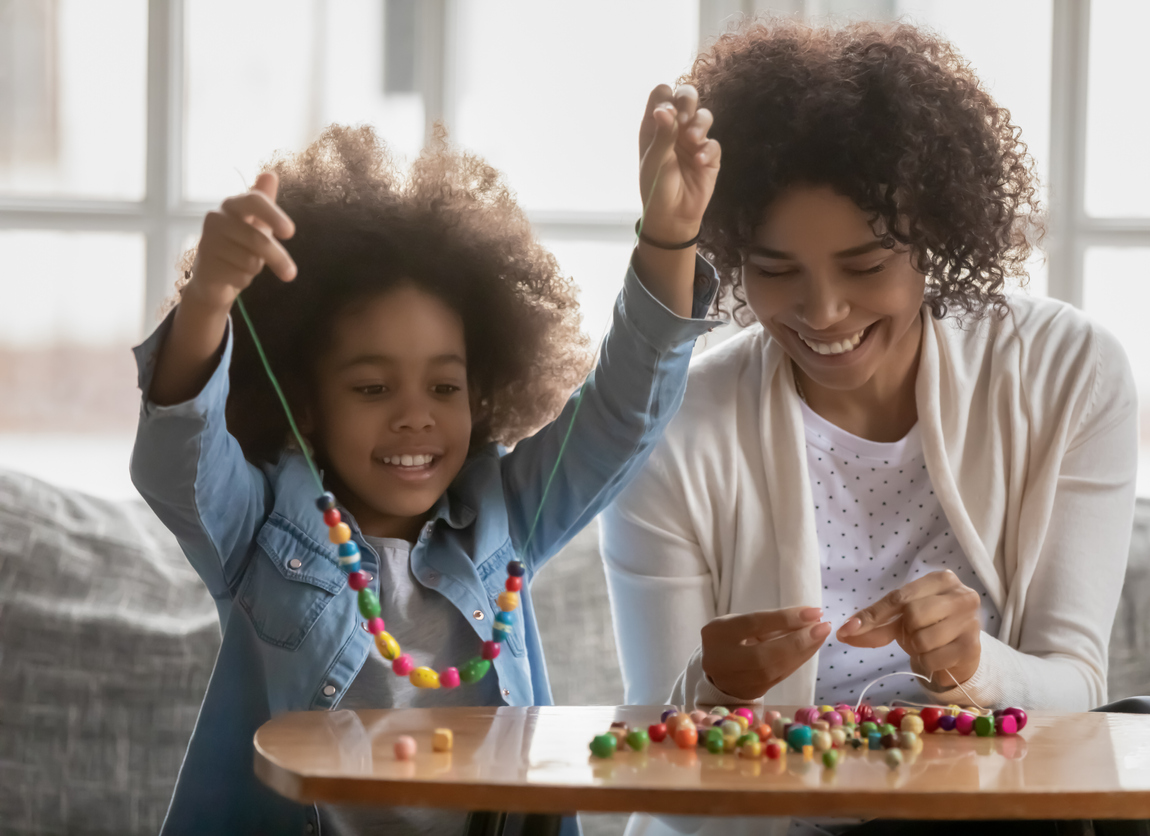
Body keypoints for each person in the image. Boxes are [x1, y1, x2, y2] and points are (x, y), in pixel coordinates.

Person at [601, 18, 1150, 836]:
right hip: (779, 821)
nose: (823, 313)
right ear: (734, 254)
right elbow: (657, 762)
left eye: (865, 267)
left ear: (935, 238)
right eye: (776, 272)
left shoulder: (1068, 369)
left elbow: (1076, 691)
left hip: (995, 810)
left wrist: (974, 665)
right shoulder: (672, 426)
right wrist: (709, 690)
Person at [131, 86, 721, 836]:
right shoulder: (258, 530)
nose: (415, 413)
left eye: (445, 385)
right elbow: (175, 460)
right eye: (373, 387)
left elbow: (623, 413)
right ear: (306, 404)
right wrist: (210, 301)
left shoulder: (508, 515)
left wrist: (668, 239)